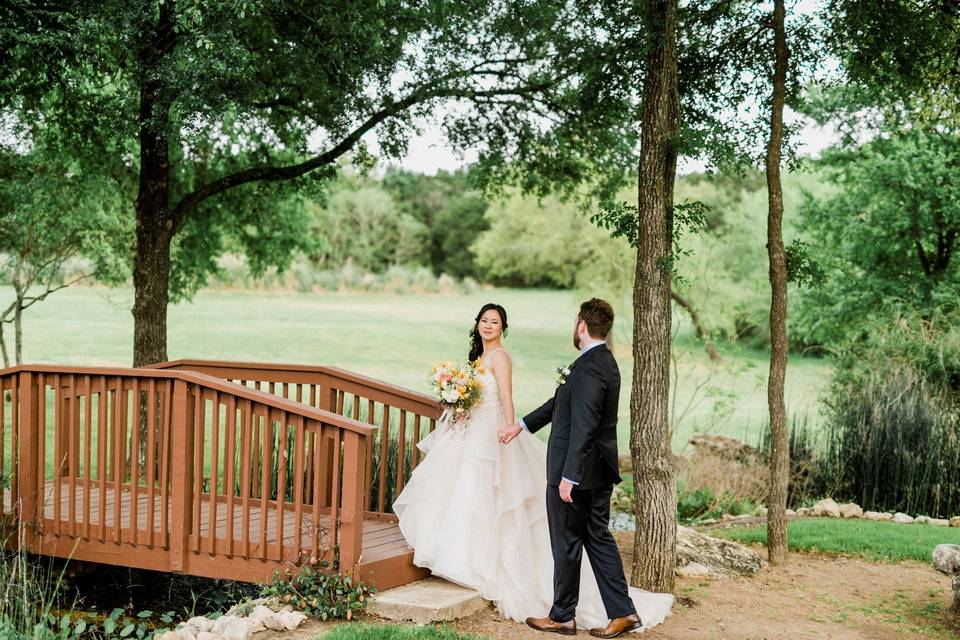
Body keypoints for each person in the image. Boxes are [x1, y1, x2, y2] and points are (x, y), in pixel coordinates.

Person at [393, 301, 672, 636]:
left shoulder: (590, 367)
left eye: (574, 321)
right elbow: (559, 405)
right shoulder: (600, 362)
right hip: (594, 471)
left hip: (578, 473)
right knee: (596, 538)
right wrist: (520, 426)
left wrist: (570, 476)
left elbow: (584, 425)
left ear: (581, 325)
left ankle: (564, 616)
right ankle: (618, 611)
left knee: (567, 542)